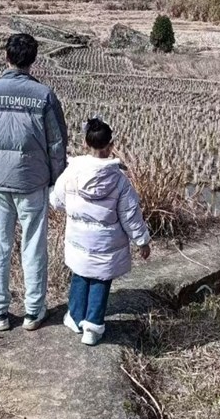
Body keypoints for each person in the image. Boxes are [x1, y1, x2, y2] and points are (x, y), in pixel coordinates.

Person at [0, 33, 68, 332]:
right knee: (33, 247)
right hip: (32, 181)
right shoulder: (44, 96)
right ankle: (33, 311)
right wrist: (55, 179)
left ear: (6, 57)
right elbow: (57, 144)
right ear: (33, 60)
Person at [50, 117, 150, 346]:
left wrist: (76, 211)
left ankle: (75, 319)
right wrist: (142, 240)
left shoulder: (72, 172)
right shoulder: (120, 180)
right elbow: (130, 215)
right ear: (111, 145)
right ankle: (92, 329)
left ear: (85, 144)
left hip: (78, 241)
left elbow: (57, 200)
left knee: (80, 274)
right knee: (100, 280)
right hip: (106, 245)